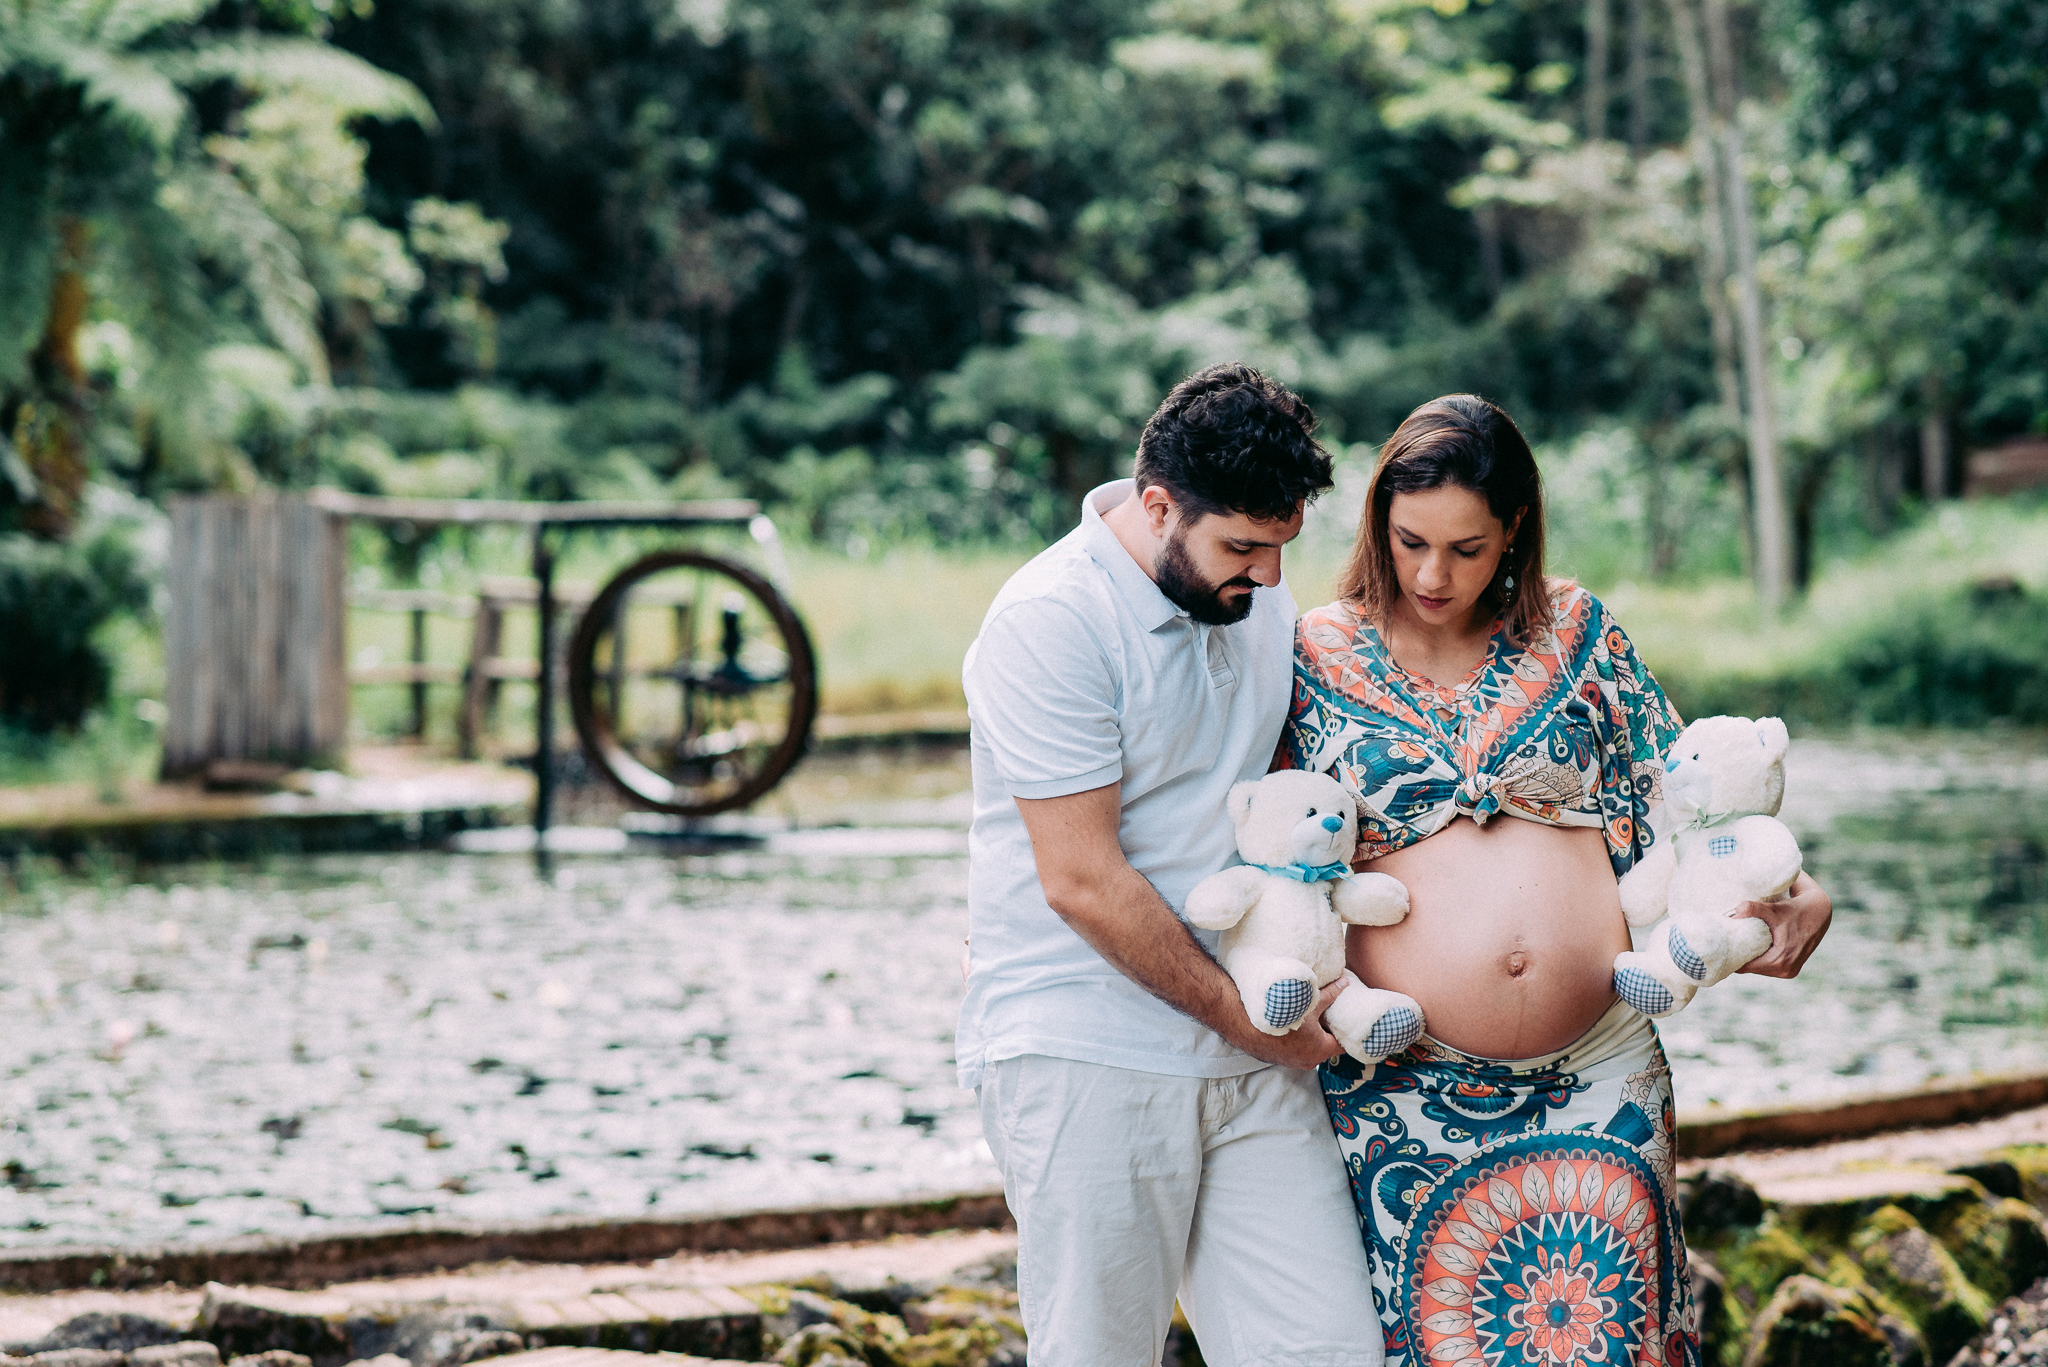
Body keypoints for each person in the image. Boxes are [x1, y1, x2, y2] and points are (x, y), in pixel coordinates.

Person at [1281, 394, 1833, 1367]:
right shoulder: (1312, 653)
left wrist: (1798, 896)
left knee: (1613, 1339)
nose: (1432, 574)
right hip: (1402, 1090)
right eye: (1410, 542)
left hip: (1601, 1075)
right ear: (1376, 524)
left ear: (1515, 527)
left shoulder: (1577, 631)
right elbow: (1259, 844)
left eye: (1465, 547)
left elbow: (1693, 793)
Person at [959, 363, 1387, 1367]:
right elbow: (1082, 879)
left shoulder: (1254, 598)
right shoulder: (1049, 622)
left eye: (1281, 545)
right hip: (1086, 1047)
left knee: (1327, 1352)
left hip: (1252, 1043)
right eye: (1242, 546)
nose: (1270, 576)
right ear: (1157, 507)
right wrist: (1250, 1021)